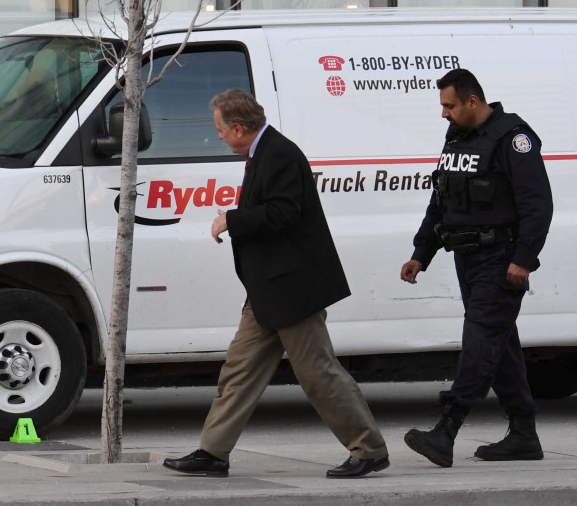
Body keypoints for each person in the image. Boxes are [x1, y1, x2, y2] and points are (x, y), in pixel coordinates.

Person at [163, 89, 389, 479]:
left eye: (219, 129)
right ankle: (213, 453)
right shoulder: (264, 152)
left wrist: (231, 220)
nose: (217, 136)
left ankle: (369, 449)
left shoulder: (280, 153)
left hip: (292, 289)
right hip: (268, 289)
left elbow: (284, 212)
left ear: (237, 128)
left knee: (318, 372)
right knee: (239, 371)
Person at [400, 68, 552, 467]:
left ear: (472, 101)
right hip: (465, 258)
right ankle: (523, 435)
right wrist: (422, 253)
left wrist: (524, 258)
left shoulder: (512, 138)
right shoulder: (458, 137)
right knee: (499, 347)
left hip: (500, 260)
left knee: (481, 341)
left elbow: (538, 205)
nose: (443, 114)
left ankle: (447, 429)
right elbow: (442, 200)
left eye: (449, 105)